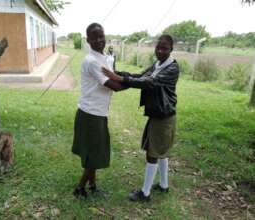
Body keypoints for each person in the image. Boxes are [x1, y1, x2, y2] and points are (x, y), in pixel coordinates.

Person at [102, 34, 179, 202]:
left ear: (171, 49)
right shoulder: (158, 64)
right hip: (160, 115)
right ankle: (164, 185)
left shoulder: (172, 68)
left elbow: (149, 82)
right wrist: (118, 73)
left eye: (164, 48)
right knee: (162, 151)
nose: (160, 50)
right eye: (158, 47)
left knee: (153, 153)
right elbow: (141, 76)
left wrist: (119, 79)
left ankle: (145, 193)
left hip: (164, 117)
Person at [72, 23, 124, 198]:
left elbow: (114, 71)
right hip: (90, 114)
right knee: (93, 154)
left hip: (99, 113)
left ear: (105, 35)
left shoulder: (105, 58)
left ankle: (93, 185)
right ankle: (80, 188)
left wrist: (121, 74)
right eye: (94, 37)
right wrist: (141, 82)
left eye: (101, 36)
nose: (99, 40)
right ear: (88, 40)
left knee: (94, 152)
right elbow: (114, 86)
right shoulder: (91, 61)